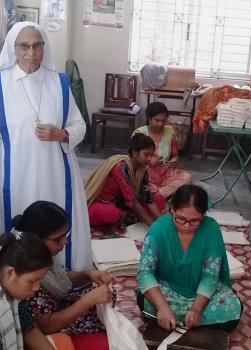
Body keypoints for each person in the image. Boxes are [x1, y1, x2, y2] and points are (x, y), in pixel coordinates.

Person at [0, 22, 92, 271]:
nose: (31, 53)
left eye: (37, 46)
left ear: (44, 48)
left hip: (55, 171)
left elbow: (80, 125)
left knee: (56, 222)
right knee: (19, 224)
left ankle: (62, 276)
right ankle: (18, 279)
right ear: (14, 48)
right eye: (24, 46)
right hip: (16, 173)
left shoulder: (59, 82)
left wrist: (63, 133)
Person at [137, 184, 242, 332]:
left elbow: (210, 276)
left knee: (232, 308)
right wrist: (162, 306)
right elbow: (145, 273)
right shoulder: (158, 229)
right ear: (172, 209)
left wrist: (197, 309)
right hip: (167, 290)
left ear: (204, 215)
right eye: (180, 219)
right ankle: (174, 317)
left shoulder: (211, 229)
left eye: (194, 221)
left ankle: (177, 320)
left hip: (201, 294)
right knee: (144, 299)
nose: (186, 226)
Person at [15, 201, 111, 349]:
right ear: (37, 238)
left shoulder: (39, 254)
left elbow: (60, 278)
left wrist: (86, 274)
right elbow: (45, 326)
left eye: (65, 235)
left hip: (58, 308)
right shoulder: (28, 273)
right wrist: (87, 301)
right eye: (58, 238)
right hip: (52, 328)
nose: (65, 242)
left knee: (105, 299)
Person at [85, 133, 164, 230]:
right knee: (110, 213)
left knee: (160, 201)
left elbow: (147, 198)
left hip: (123, 205)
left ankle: (124, 218)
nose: (149, 159)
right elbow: (133, 201)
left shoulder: (141, 169)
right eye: (146, 155)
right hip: (103, 203)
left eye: (151, 155)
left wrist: (161, 222)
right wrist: (153, 227)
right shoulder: (121, 166)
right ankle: (123, 217)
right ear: (135, 152)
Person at [133, 102, 192, 198]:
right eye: (157, 120)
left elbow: (175, 154)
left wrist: (175, 159)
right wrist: (148, 160)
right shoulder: (139, 133)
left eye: (163, 121)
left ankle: (157, 194)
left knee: (187, 177)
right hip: (144, 174)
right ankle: (163, 193)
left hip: (164, 174)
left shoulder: (169, 132)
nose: (160, 124)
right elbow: (132, 158)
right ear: (149, 118)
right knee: (137, 182)